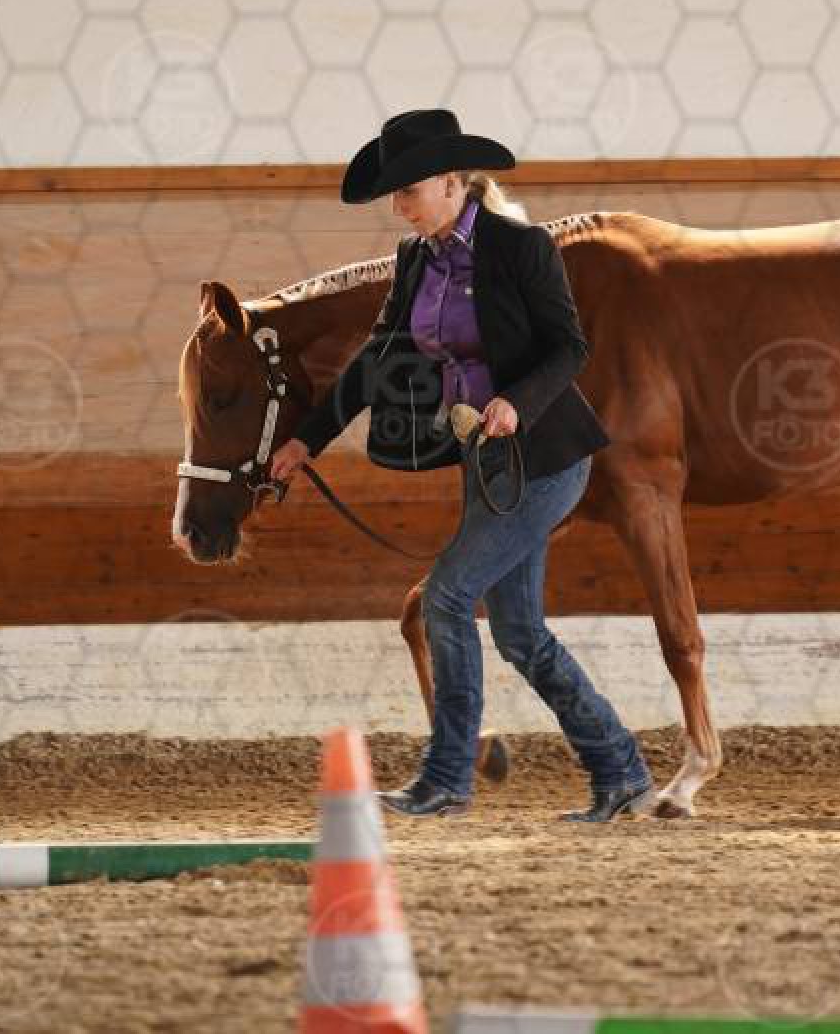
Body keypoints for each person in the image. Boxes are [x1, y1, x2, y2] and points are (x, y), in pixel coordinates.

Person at [267, 108, 653, 823]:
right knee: (520, 634)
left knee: (446, 597)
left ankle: (445, 780)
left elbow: (569, 348)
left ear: (451, 181)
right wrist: (306, 441)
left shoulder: (521, 247)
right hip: (484, 463)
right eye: (395, 194)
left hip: (545, 458)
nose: (399, 206)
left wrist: (514, 402)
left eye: (408, 190)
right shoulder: (417, 259)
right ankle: (621, 771)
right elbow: (376, 359)